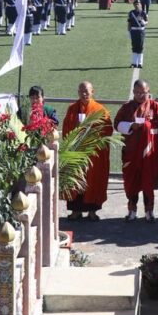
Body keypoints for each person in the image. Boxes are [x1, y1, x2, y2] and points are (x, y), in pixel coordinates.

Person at [114, 79, 158, 222]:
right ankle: (132, 210)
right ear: (133, 92)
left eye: (143, 93)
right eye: (137, 92)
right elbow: (117, 124)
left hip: (150, 154)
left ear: (148, 92)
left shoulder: (157, 108)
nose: (140, 95)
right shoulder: (126, 108)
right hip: (131, 153)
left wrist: (149, 126)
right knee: (131, 183)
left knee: (148, 182)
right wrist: (130, 126)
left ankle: (149, 211)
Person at [63, 81, 112, 221]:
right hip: (76, 151)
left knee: (93, 181)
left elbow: (108, 129)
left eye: (87, 91)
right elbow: (66, 129)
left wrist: (91, 131)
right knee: (75, 180)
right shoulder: (72, 108)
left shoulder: (100, 110)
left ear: (92, 92)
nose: (84, 94)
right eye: (81, 91)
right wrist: (77, 127)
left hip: (93, 152)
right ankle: (75, 211)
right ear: (78, 92)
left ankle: (92, 211)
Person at [127, 0, 148, 68]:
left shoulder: (143, 13)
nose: (137, 5)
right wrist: (128, 31)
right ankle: (134, 63)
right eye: (135, 4)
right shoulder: (131, 13)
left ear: (140, 4)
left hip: (141, 31)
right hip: (133, 31)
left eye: (138, 4)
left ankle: (140, 63)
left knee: (140, 47)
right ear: (133, 5)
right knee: (134, 47)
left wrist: (144, 22)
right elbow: (129, 23)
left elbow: (147, 22)